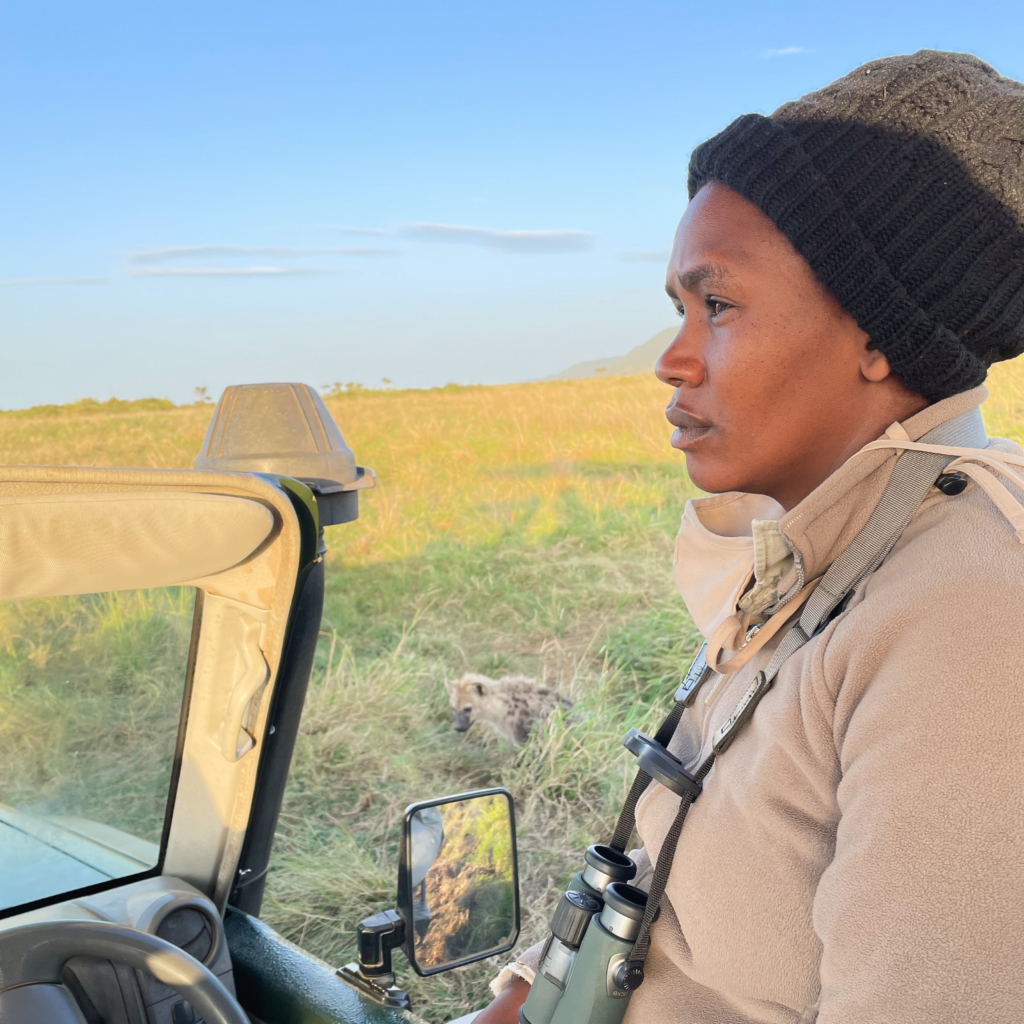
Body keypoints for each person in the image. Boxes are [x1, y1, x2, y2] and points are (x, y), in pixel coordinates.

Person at [477, 50, 1024, 1024]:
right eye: (677, 310)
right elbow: (667, 868)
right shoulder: (822, 547)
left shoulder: (974, 620)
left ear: (876, 332)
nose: (672, 359)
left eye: (716, 304)